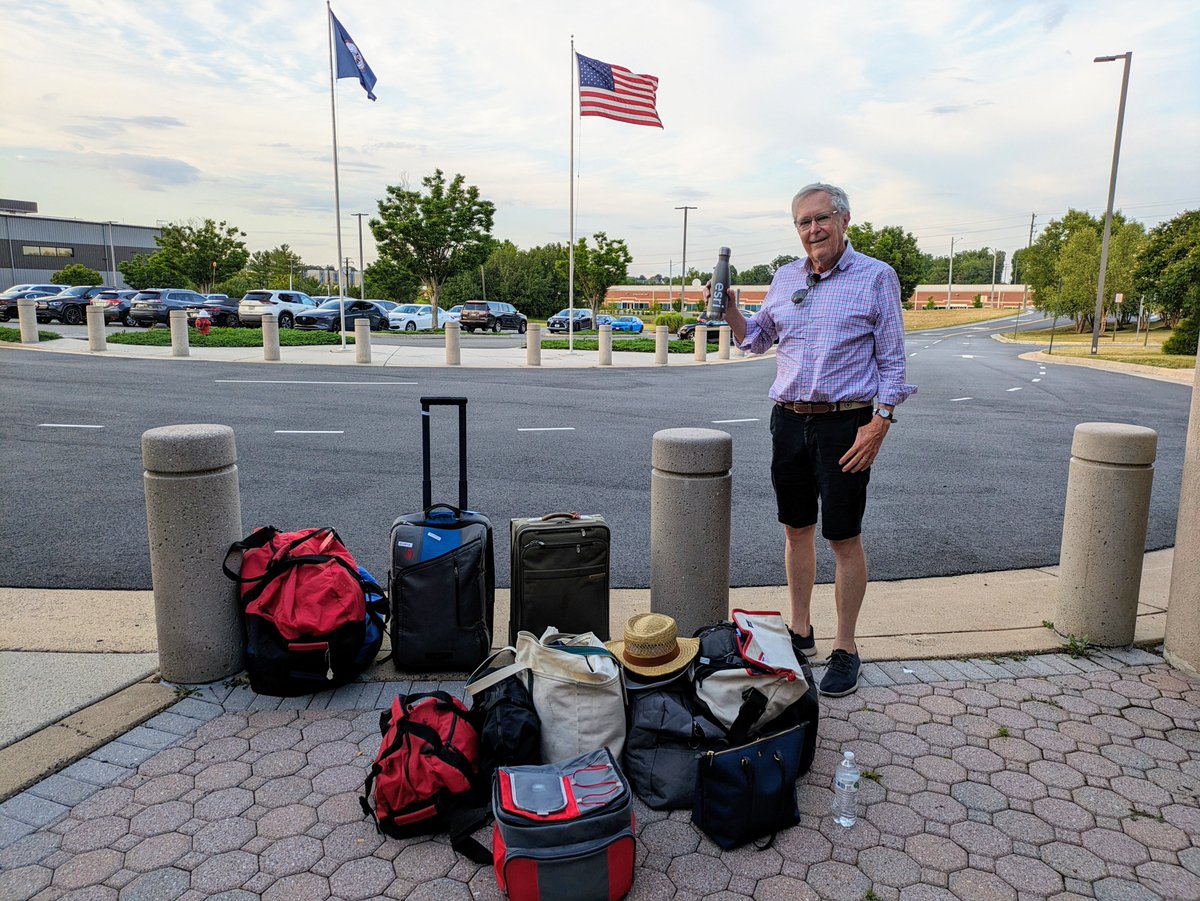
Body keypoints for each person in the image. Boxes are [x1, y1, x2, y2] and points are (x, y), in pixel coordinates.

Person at [720, 183, 916, 697]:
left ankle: (846, 647)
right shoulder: (785, 277)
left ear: (845, 219)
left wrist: (881, 423)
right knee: (796, 530)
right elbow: (756, 338)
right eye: (803, 223)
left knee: (843, 538)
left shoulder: (876, 276)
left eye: (821, 219)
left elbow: (893, 361)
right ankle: (801, 631)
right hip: (787, 420)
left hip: (845, 424)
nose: (813, 231)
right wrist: (732, 310)